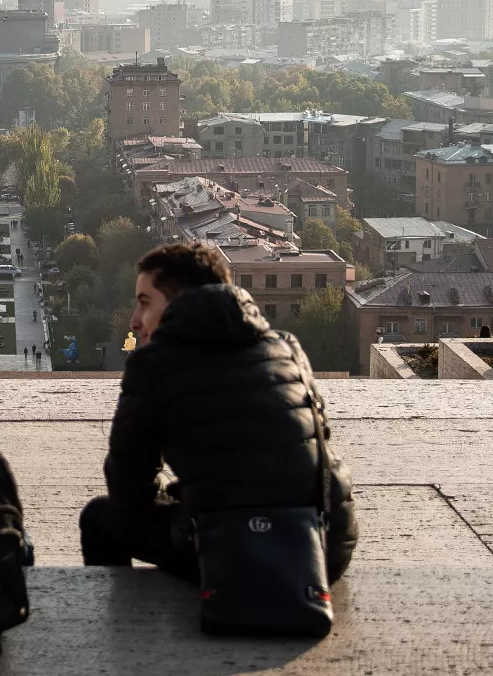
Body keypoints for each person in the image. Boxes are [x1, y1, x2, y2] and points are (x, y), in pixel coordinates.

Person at [79, 242, 357, 582]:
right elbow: (318, 452)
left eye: (144, 303)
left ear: (177, 305)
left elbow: (128, 487)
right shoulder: (285, 346)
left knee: (100, 516)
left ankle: (124, 628)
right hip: (322, 550)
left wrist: (178, 496)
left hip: (233, 552)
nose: (135, 321)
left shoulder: (153, 364)